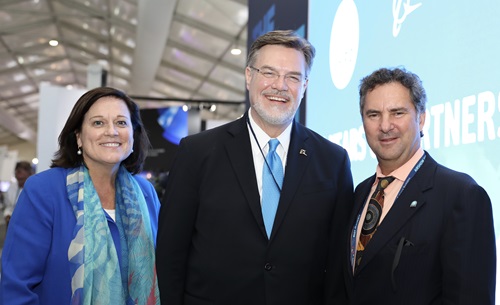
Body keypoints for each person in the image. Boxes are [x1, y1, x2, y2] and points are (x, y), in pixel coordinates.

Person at [156, 30, 354, 305]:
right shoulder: (197, 152)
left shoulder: (333, 161)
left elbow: (337, 264)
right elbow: (171, 252)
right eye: (269, 73)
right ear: (249, 76)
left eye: (293, 77)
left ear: (305, 85)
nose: (280, 86)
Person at [346, 67, 496, 304]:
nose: (385, 126)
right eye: (373, 114)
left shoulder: (461, 196)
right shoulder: (360, 194)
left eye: (397, 113)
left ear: (421, 118)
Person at [0, 87, 161, 304]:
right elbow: (16, 287)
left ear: (133, 135)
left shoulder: (146, 192)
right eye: (98, 122)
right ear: (78, 137)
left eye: (121, 122)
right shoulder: (43, 190)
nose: (111, 131)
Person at [3, 161, 33, 227]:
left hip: (26, 224)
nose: (18, 173)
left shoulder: (33, 189)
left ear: (29, 173)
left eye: (22, 170)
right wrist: (7, 215)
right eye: (17, 170)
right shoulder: (11, 187)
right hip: (11, 223)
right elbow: (8, 206)